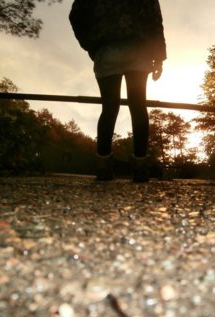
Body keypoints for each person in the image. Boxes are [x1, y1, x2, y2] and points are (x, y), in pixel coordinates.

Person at [69, 0, 167, 182]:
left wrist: (91, 44)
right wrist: (159, 57)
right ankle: (140, 167)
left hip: (107, 49)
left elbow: (76, 14)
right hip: (139, 48)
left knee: (109, 107)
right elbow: (155, 18)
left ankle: (103, 166)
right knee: (138, 105)